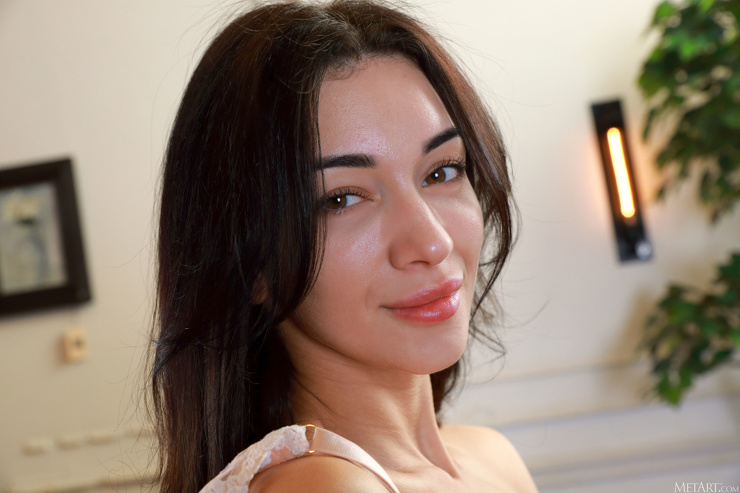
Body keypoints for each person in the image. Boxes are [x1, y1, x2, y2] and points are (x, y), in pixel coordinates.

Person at [150, 1, 537, 491]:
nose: (433, 242)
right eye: (343, 199)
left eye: (442, 172)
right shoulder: (324, 485)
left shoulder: (490, 457)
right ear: (251, 266)